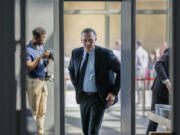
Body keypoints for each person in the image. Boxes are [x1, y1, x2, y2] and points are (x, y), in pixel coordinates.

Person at [68, 28, 121, 135]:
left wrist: (113, 93)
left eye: (90, 40)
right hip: (83, 97)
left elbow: (121, 71)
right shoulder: (76, 53)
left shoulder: (105, 54)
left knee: (93, 131)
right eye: (85, 40)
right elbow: (71, 69)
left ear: (96, 39)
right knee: (85, 130)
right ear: (81, 40)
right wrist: (77, 86)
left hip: (99, 97)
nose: (87, 43)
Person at [26, 27, 52, 135]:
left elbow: (42, 65)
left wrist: (48, 59)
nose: (44, 41)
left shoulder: (40, 47)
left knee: (42, 112)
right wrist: (40, 57)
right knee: (34, 112)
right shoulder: (27, 50)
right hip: (33, 82)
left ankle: (40, 133)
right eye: (43, 38)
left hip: (42, 82)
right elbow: (29, 67)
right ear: (36, 38)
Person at [146, 48, 171, 135]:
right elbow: (158, 65)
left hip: (172, 95)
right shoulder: (172, 50)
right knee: (153, 122)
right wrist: (167, 82)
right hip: (160, 92)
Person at [136, 40, 149, 104]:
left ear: (137, 44)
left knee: (139, 85)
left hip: (138, 70)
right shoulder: (145, 52)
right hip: (144, 70)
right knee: (143, 85)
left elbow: (136, 62)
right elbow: (146, 62)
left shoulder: (137, 52)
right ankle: (142, 100)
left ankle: (139, 100)